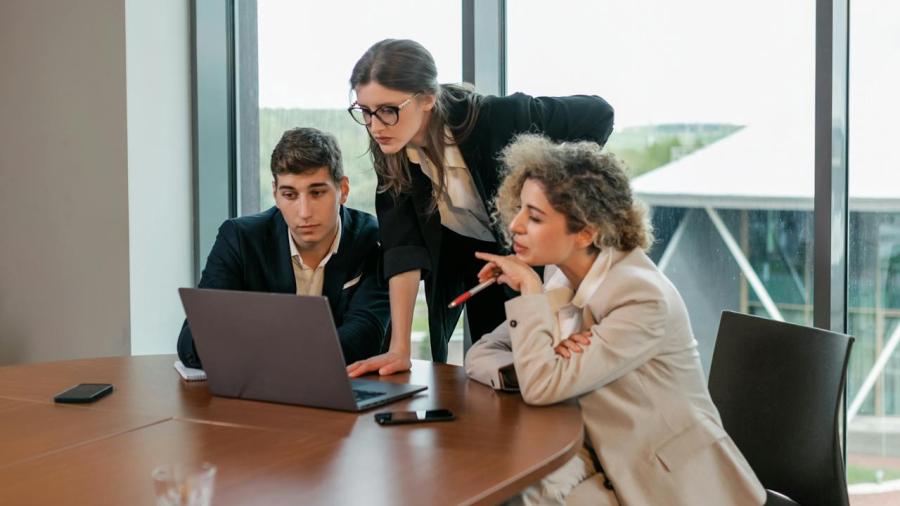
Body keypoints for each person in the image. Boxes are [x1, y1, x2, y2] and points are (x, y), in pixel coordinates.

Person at [465, 135, 765, 505]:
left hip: (661, 477)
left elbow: (542, 387)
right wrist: (543, 360)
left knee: (519, 493)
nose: (516, 225)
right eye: (521, 209)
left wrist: (530, 297)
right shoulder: (560, 275)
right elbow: (482, 353)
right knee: (510, 488)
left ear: (586, 231)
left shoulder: (641, 297)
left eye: (536, 216)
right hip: (593, 448)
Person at [345, 39, 614, 377]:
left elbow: (599, 115)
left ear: (428, 98)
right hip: (486, 267)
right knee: (502, 374)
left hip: (550, 265)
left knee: (565, 365)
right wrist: (400, 349)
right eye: (365, 111)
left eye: (388, 110)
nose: (376, 126)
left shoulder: (498, 117)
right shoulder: (391, 148)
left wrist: (553, 203)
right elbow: (403, 249)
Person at [177, 127, 390, 368]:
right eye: (290, 195)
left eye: (317, 193)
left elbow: (364, 338)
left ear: (343, 190)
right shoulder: (239, 239)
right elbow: (192, 342)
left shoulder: (374, 239)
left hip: (351, 394)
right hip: (256, 395)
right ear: (276, 195)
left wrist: (255, 345)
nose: (304, 212)